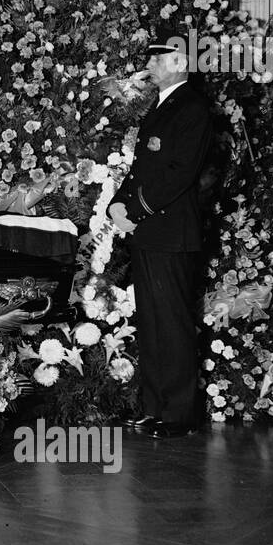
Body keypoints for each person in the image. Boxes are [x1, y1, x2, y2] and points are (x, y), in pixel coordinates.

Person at [108, 42, 213, 439]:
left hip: (169, 232)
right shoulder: (162, 105)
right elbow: (140, 170)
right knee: (151, 324)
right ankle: (154, 407)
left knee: (171, 324)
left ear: (180, 62)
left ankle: (179, 413)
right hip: (149, 231)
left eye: (156, 58)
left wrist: (133, 210)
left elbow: (178, 173)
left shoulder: (192, 108)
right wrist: (117, 205)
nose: (148, 65)